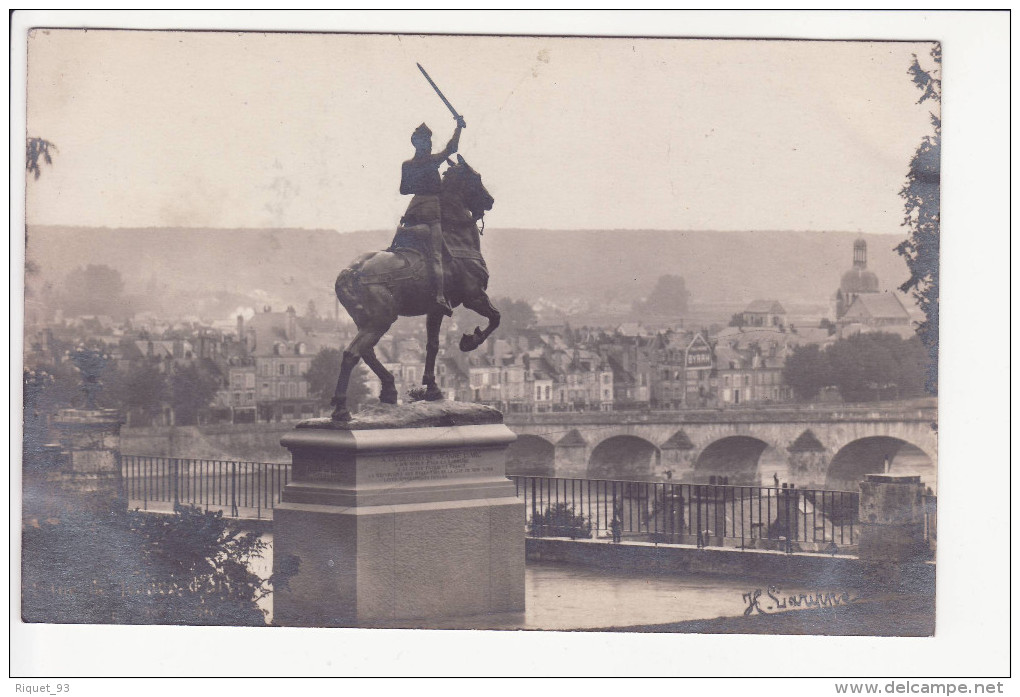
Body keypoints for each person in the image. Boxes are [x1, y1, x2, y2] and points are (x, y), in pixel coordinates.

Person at [399, 115, 465, 316]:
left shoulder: (407, 164)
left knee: (399, 245)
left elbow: (403, 190)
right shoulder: (432, 160)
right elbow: (452, 148)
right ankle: (439, 297)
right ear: (425, 143)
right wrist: (459, 127)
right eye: (427, 141)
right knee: (436, 255)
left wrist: (417, 182)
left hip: (412, 210)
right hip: (430, 209)